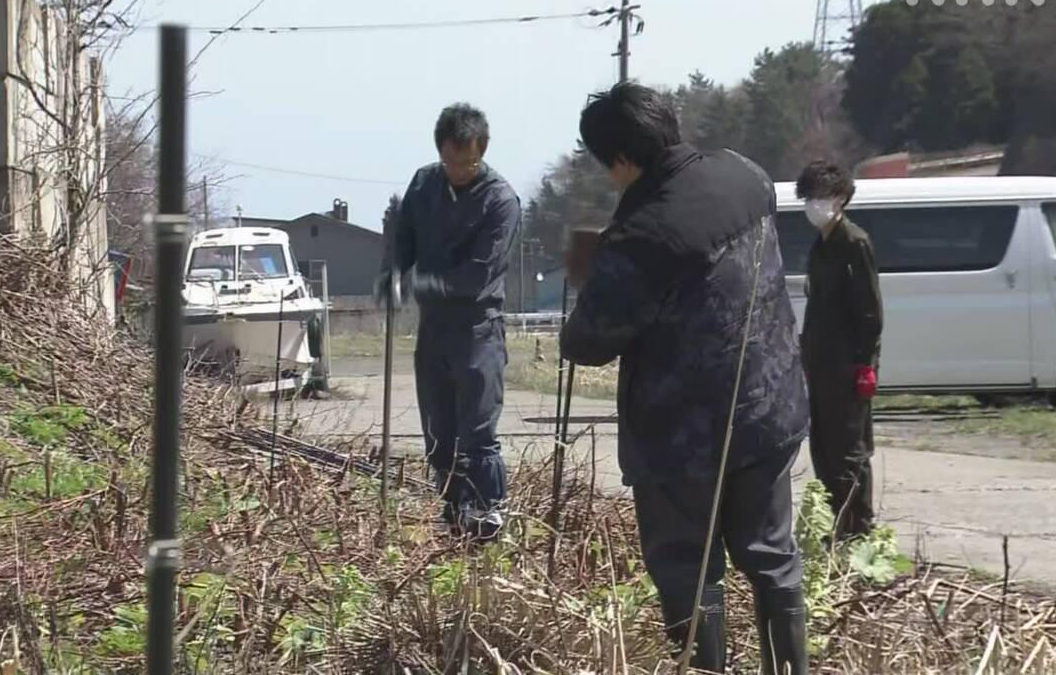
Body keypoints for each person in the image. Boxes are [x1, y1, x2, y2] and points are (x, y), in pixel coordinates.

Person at [559, 82, 809, 674]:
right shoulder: (746, 174)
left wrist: (592, 276)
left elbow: (586, 342)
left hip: (683, 438)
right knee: (772, 556)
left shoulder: (642, 232)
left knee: (687, 569)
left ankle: (704, 669)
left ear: (620, 159)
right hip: (770, 407)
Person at [376, 103, 520, 541]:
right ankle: (454, 517)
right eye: (450, 161)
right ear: (439, 152)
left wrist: (423, 281)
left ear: (484, 152)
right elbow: (406, 239)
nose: (458, 171)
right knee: (439, 435)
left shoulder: (501, 200)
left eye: (468, 163)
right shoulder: (424, 182)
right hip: (433, 329)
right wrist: (394, 270)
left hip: (478, 327)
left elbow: (478, 275)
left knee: (476, 432)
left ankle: (488, 518)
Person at [795, 160, 883, 541]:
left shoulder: (854, 242)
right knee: (824, 449)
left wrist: (866, 364)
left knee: (850, 452)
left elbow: (870, 310)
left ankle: (858, 529)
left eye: (820, 197)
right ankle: (836, 522)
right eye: (808, 197)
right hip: (820, 365)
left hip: (847, 367)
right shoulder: (821, 246)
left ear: (840, 198)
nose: (813, 205)